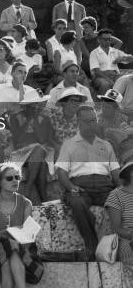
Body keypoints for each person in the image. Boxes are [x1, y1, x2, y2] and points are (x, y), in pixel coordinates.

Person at [56, 105, 120, 260]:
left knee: (122, 201)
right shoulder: (69, 144)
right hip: (80, 185)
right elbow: (61, 172)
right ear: (79, 122)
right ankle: (91, 246)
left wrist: (124, 190)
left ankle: (123, 246)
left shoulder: (106, 145)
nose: (92, 124)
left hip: (105, 186)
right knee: (77, 202)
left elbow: (116, 173)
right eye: (88, 121)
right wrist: (71, 187)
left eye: (94, 120)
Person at [7, 97, 54, 203]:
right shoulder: (15, 117)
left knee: (41, 159)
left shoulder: (44, 118)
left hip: (38, 153)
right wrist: (27, 121)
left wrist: (35, 122)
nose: (36, 108)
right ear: (25, 106)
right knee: (39, 152)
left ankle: (34, 192)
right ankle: (42, 198)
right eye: (32, 106)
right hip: (21, 152)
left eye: (37, 105)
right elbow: (17, 140)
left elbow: (42, 139)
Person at [105, 161, 133, 264]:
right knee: (128, 257)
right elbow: (116, 229)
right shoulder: (116, 195)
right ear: (131, 173)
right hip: (124, 239)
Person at [90, 27, 133, 92]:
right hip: (100, 77)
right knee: (105, 84)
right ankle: (106, 101)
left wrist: (122, 58)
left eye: (109, 39)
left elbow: (131, 58)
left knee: (128, 81)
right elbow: (96, 71)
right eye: (105, 39)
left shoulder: (115, 51)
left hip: (115, 75)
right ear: (98, 40)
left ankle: (125, 101)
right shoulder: (94, 53)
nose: (107, 41)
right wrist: (108, 79)